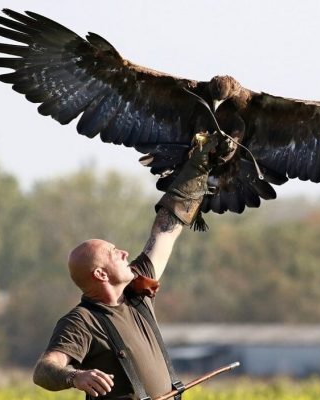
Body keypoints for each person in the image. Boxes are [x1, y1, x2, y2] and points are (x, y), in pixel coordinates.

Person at [32, 133, 225, 399]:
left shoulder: (137, 290)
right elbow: (44, 370)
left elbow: (166, 230)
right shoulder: (81, 321)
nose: (124, 253)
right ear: (100, 274)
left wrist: (199, 165)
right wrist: (75, 376)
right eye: (113, 253)